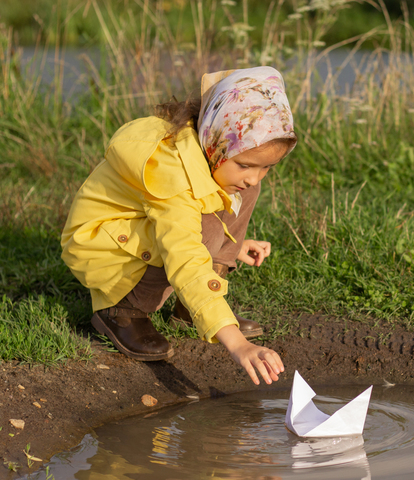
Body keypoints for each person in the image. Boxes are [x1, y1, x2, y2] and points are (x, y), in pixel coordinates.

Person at [61, 67, 294, 386]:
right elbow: (184, 254)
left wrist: (234, 247)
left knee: (240, 190)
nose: (256, 175)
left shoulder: (211, 154)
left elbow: (200, 214)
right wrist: (238, 344)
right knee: (205, 233)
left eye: (267, 166)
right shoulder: (172, 172)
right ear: (216, 139)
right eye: (246, 164)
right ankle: (122, 311)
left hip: (141, 232)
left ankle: (192, 307)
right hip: (104, 248)